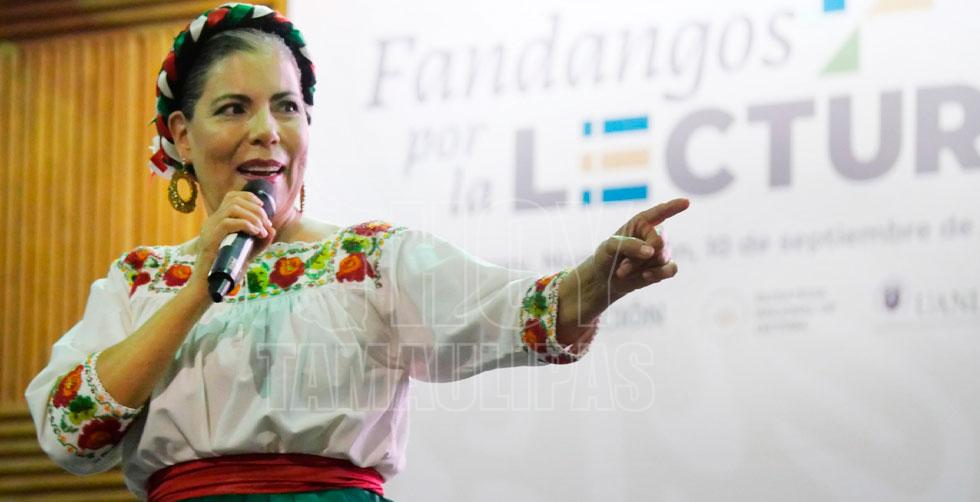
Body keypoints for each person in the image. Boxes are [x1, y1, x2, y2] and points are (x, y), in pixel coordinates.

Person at [24, 3, 689, 501]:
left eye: (287, 107)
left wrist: (598, 280)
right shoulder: (140, 282)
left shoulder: (369, 261)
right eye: (233, 109)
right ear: (180, 134)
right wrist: (199, 286)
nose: (267, 131)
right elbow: (71, 433)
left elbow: (511, 311)